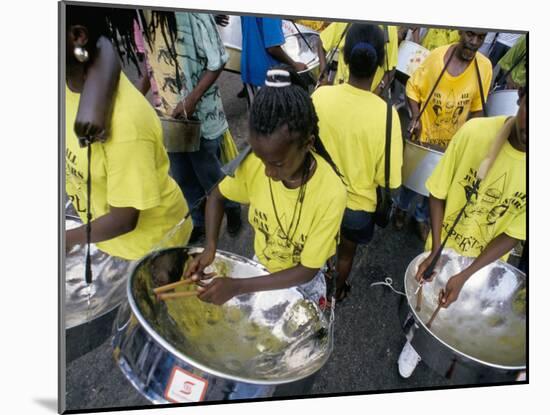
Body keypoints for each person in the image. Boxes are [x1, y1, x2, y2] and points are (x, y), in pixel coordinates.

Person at [184, 67, 347, 307]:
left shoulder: (331, 193)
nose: (268, 172)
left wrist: (239, 286)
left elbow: (307, 270)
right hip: (260, 266)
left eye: (278, 164)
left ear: (307, 144)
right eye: (262, 161)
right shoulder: (254, 165)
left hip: (301, 283)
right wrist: (210, 247)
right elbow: (217, 196)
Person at [397, 88, 527, 378]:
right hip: (444, 246)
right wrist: (437, 250)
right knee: (427, 303)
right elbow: (438, 192)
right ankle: (416, 344)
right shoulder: (475, 133)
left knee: (458, 314)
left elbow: (515, 233)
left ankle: (445, 350)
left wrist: (466, 274)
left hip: (486, 264)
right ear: (521, 96)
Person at [65, 5, 192, 260]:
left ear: (78, 36)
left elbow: (123, 220)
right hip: (104, 238)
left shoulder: (127, 125)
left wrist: (62, 240)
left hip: (148, 248)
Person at [312, 24, 403, 301]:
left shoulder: (320, 96)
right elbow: (390, 181)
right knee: (347, 252)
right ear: (379, 64)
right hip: (357, 208)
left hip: (318, 197)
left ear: (346, 59)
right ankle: (336, 293)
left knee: (316, 247)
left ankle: (314, 291)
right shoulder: (387, 116)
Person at [141, 11, 242, 244]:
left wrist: (191, 99)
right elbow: (150, 64)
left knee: (210, 174)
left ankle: (232, 207)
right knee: (182, 175)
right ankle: (198, 221)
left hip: (201, 118)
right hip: (169, 118)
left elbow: (217, 60)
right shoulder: (143, 16)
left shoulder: (194, 14)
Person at [393, 30, 492, 241]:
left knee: (436, 189)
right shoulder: (437, 58)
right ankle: (401, 208)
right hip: (425, 137)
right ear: (460, 31)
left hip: (453, 145)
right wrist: (415, 117)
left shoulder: (484, 67)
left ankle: (421, 217)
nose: (474, 42)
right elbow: (413, 89)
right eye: (470, 35)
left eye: (481, 38)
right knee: (412, 181)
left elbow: (477, 108)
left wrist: (473, 139)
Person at [240, 16, 308, 106]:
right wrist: (294, 65)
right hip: (267, 74)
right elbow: (272, 48)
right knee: (274, 116)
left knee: (257, 115)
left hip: (249, 67)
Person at [317, 22, 398, 97]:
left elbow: (391, 68)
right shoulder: (346, 21)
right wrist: (324, 72)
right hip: (340, 92)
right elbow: (322, 41)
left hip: (369, 97)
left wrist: (376, 93)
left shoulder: (389, 28)